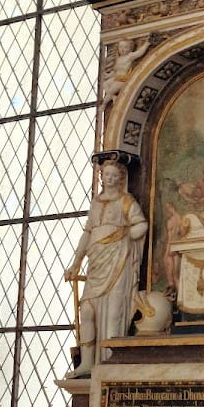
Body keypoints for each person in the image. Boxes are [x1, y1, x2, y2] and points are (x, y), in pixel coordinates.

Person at [64, 160, 148, 375]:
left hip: (118, 260)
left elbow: (141, 224)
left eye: (113, 175)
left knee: (113, 312)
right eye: (106, 174)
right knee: (88, 311)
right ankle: (87, 363)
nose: (109, 178)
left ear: (120, 179)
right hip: (97, 263)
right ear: (101, 176)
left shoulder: (126, 201)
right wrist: (76, 262)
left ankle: (112, 358)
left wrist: (125, 237)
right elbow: (88, 233)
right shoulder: (96, 202)